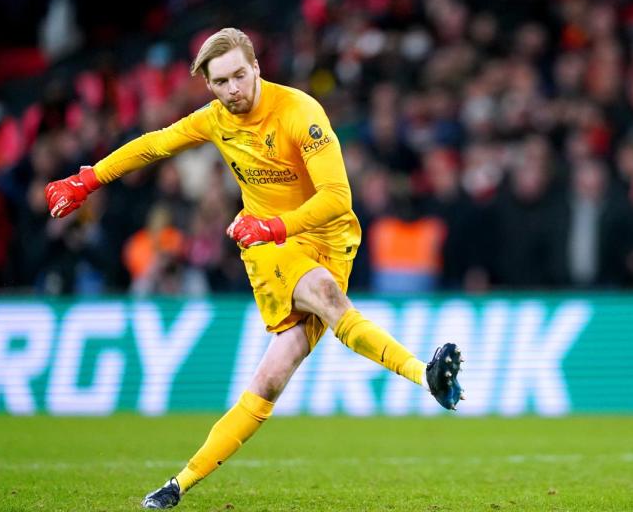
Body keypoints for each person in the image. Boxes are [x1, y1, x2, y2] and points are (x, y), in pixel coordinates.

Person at [43, 28, 465, 509]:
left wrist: (278, 226)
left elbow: (337, 198)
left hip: (322, 238)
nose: (233, 89)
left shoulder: (300, 113)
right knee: (330, 301)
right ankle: (424, 375)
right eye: (221, 82)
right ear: (209, 86)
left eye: (240, 76)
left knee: (270, 378)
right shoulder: (216, 119)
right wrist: (88, 178)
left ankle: (178, 484)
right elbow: (155, 145)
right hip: (268, 245)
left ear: (257, 68)